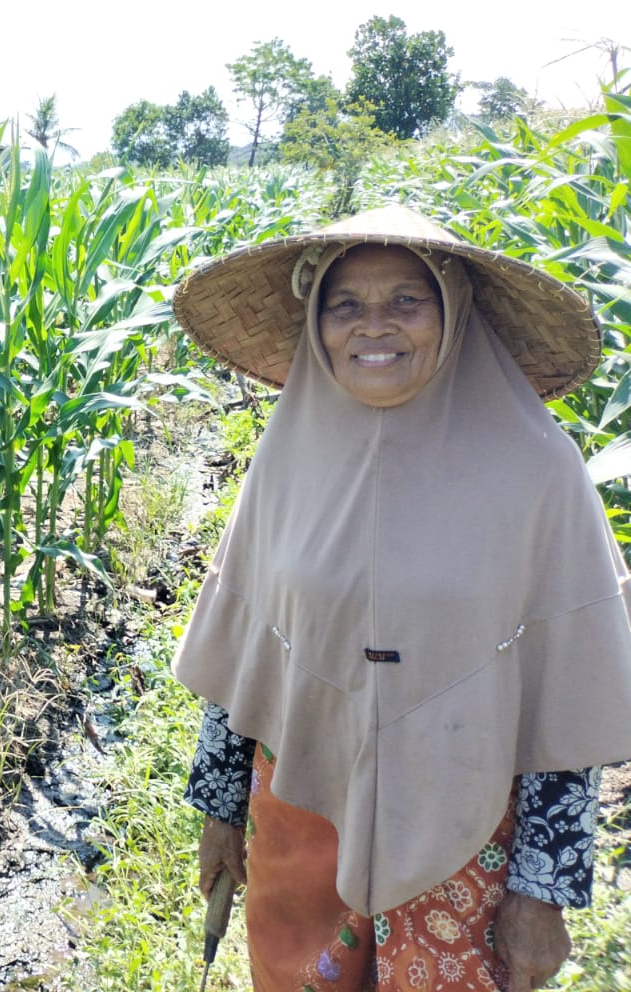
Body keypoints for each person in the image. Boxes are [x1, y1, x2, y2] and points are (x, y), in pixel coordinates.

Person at [169, 205, 631, 991]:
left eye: (405, 302)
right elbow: (246, 650)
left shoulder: (539, 473)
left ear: (452, 314)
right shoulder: (284, 460)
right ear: (317, 323)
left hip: (468, 832)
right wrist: (219, 811)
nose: (372, 326)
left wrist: (543, 891)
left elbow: (568, 704)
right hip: (300, 812)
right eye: (345, 304)